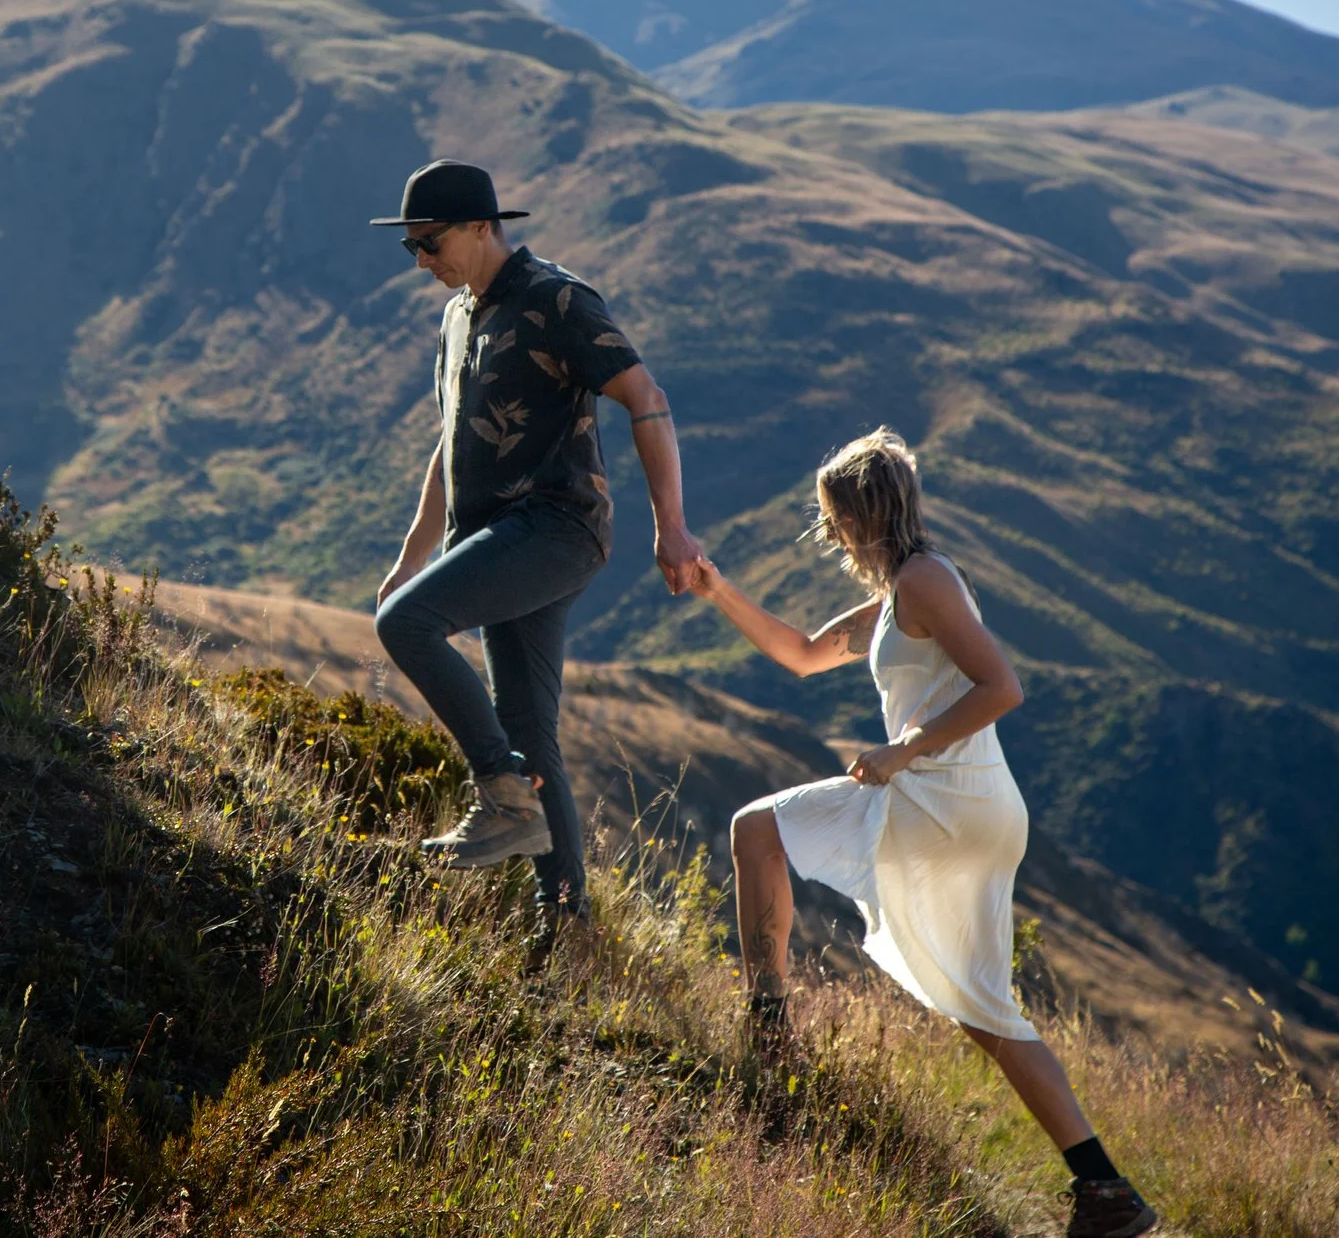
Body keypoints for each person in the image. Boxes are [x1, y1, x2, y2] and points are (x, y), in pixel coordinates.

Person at [690, 428, 1159, 1238]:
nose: (829, 530)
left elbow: (1001, 686)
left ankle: (768, 1030)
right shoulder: (904, 590)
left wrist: (904, 747)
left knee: (754, 829)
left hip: (941, 800)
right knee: (986, 1009)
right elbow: (802, 654)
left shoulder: (927, 580)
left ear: (862, 512)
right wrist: (716, 588)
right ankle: (1105, 1190)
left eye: (834, 515)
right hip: (962, 806)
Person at [370, 159, 703, 964]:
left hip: (556, 528)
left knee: (407, 624)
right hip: (495, 539)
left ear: (483, 227)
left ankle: (500, 796)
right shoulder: (458, 318)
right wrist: (414, 552)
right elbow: (451, 447)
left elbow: (646, 398)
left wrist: (674, 528)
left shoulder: (556, 299)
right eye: (410, 246)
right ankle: (567, 929)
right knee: (530, 731)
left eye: (430, 240)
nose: (421, 259)